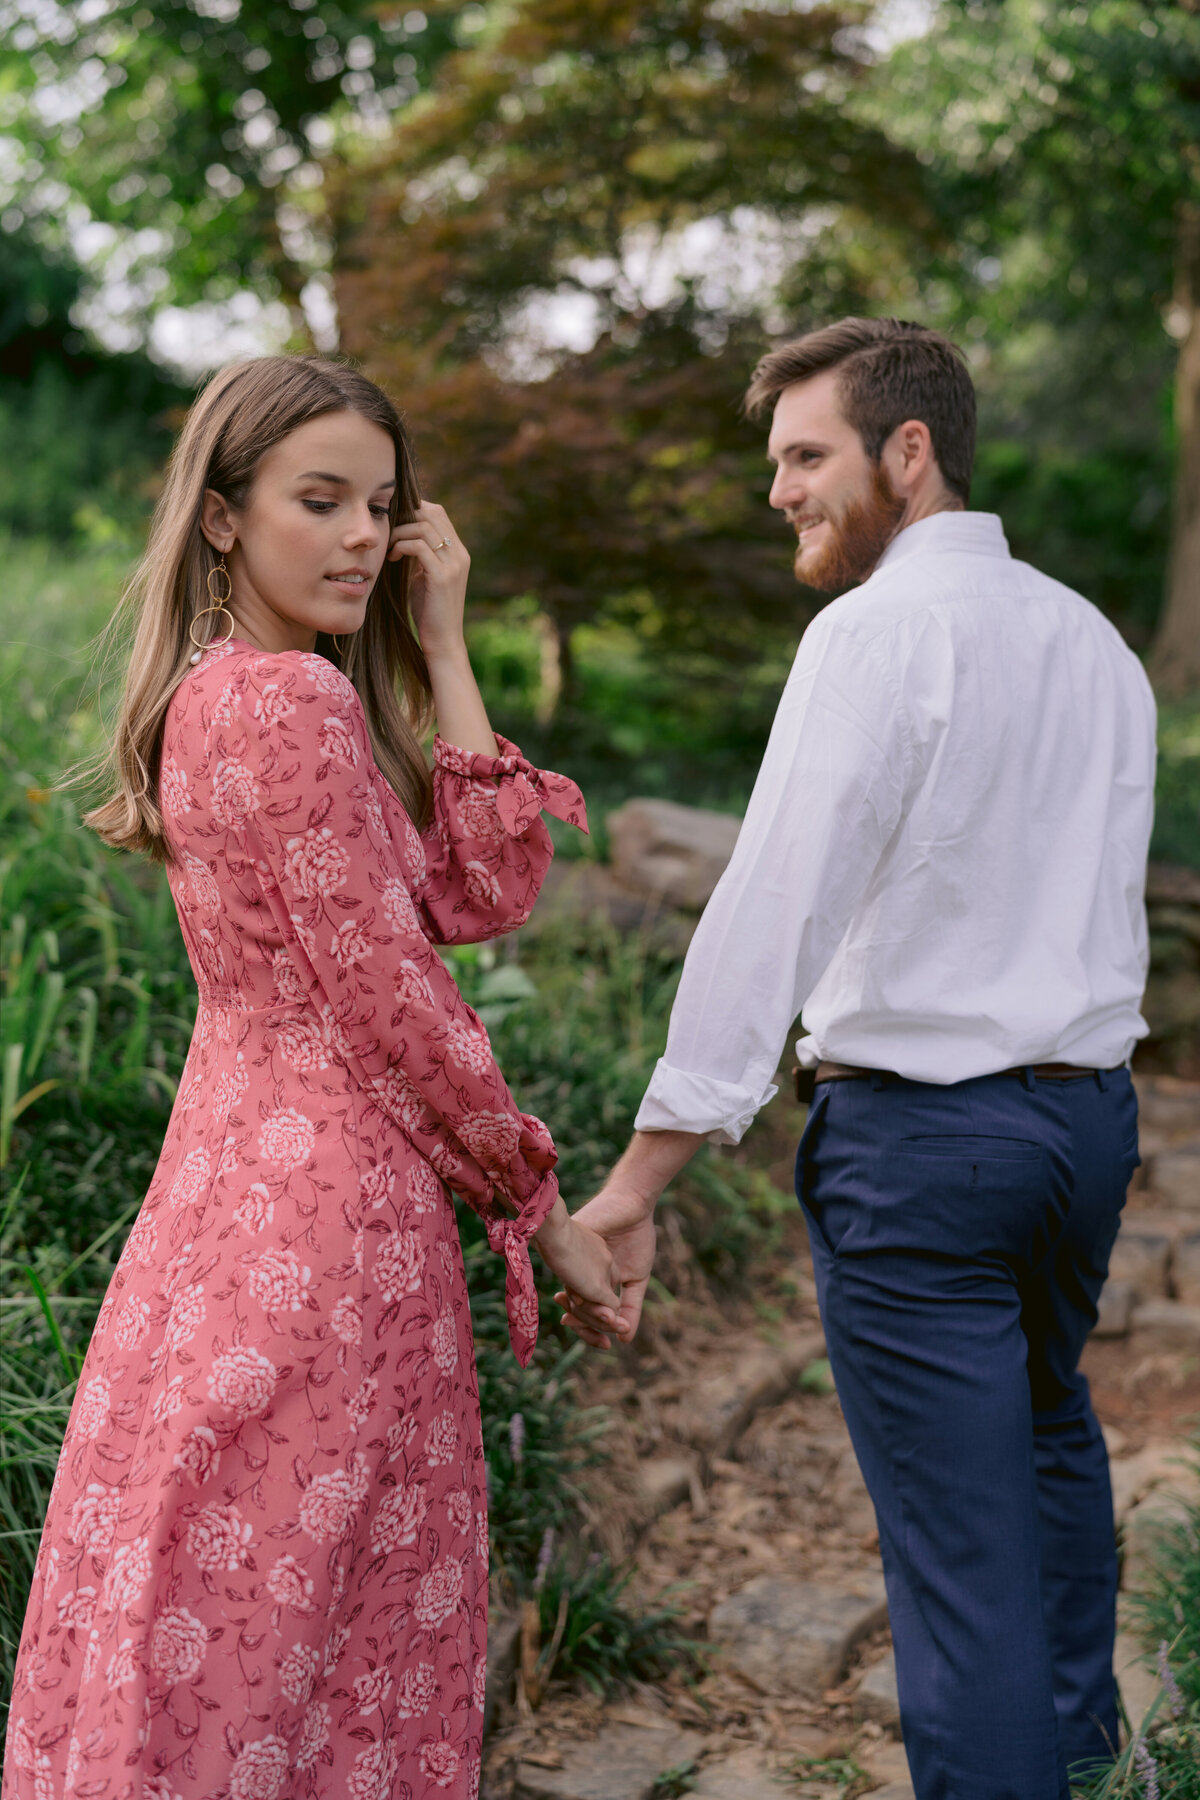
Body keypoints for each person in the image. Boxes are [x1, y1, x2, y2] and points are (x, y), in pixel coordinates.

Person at [4, 354, 621, 1800]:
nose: (361, 536)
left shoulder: (221, 699)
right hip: (327, 1231)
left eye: (383, 509)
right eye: (320, 500)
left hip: (219, 1208)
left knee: (215, 1619)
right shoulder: (288, 706)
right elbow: (404, 1003)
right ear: (222, 517)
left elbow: (478, 888)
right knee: (313, 1635)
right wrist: (541, 1207)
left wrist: (443, 634)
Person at [557, 318, 1155, 1800]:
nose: (779, 492)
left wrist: (640, 1180)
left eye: (803, 455)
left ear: (909, 450)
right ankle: (1090, 1762)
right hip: (1084, 1132)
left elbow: (773, 908)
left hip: (927, 1156)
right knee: (1048, 1434)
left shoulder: (878, 630)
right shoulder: (1095, 642)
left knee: (958, 1560)